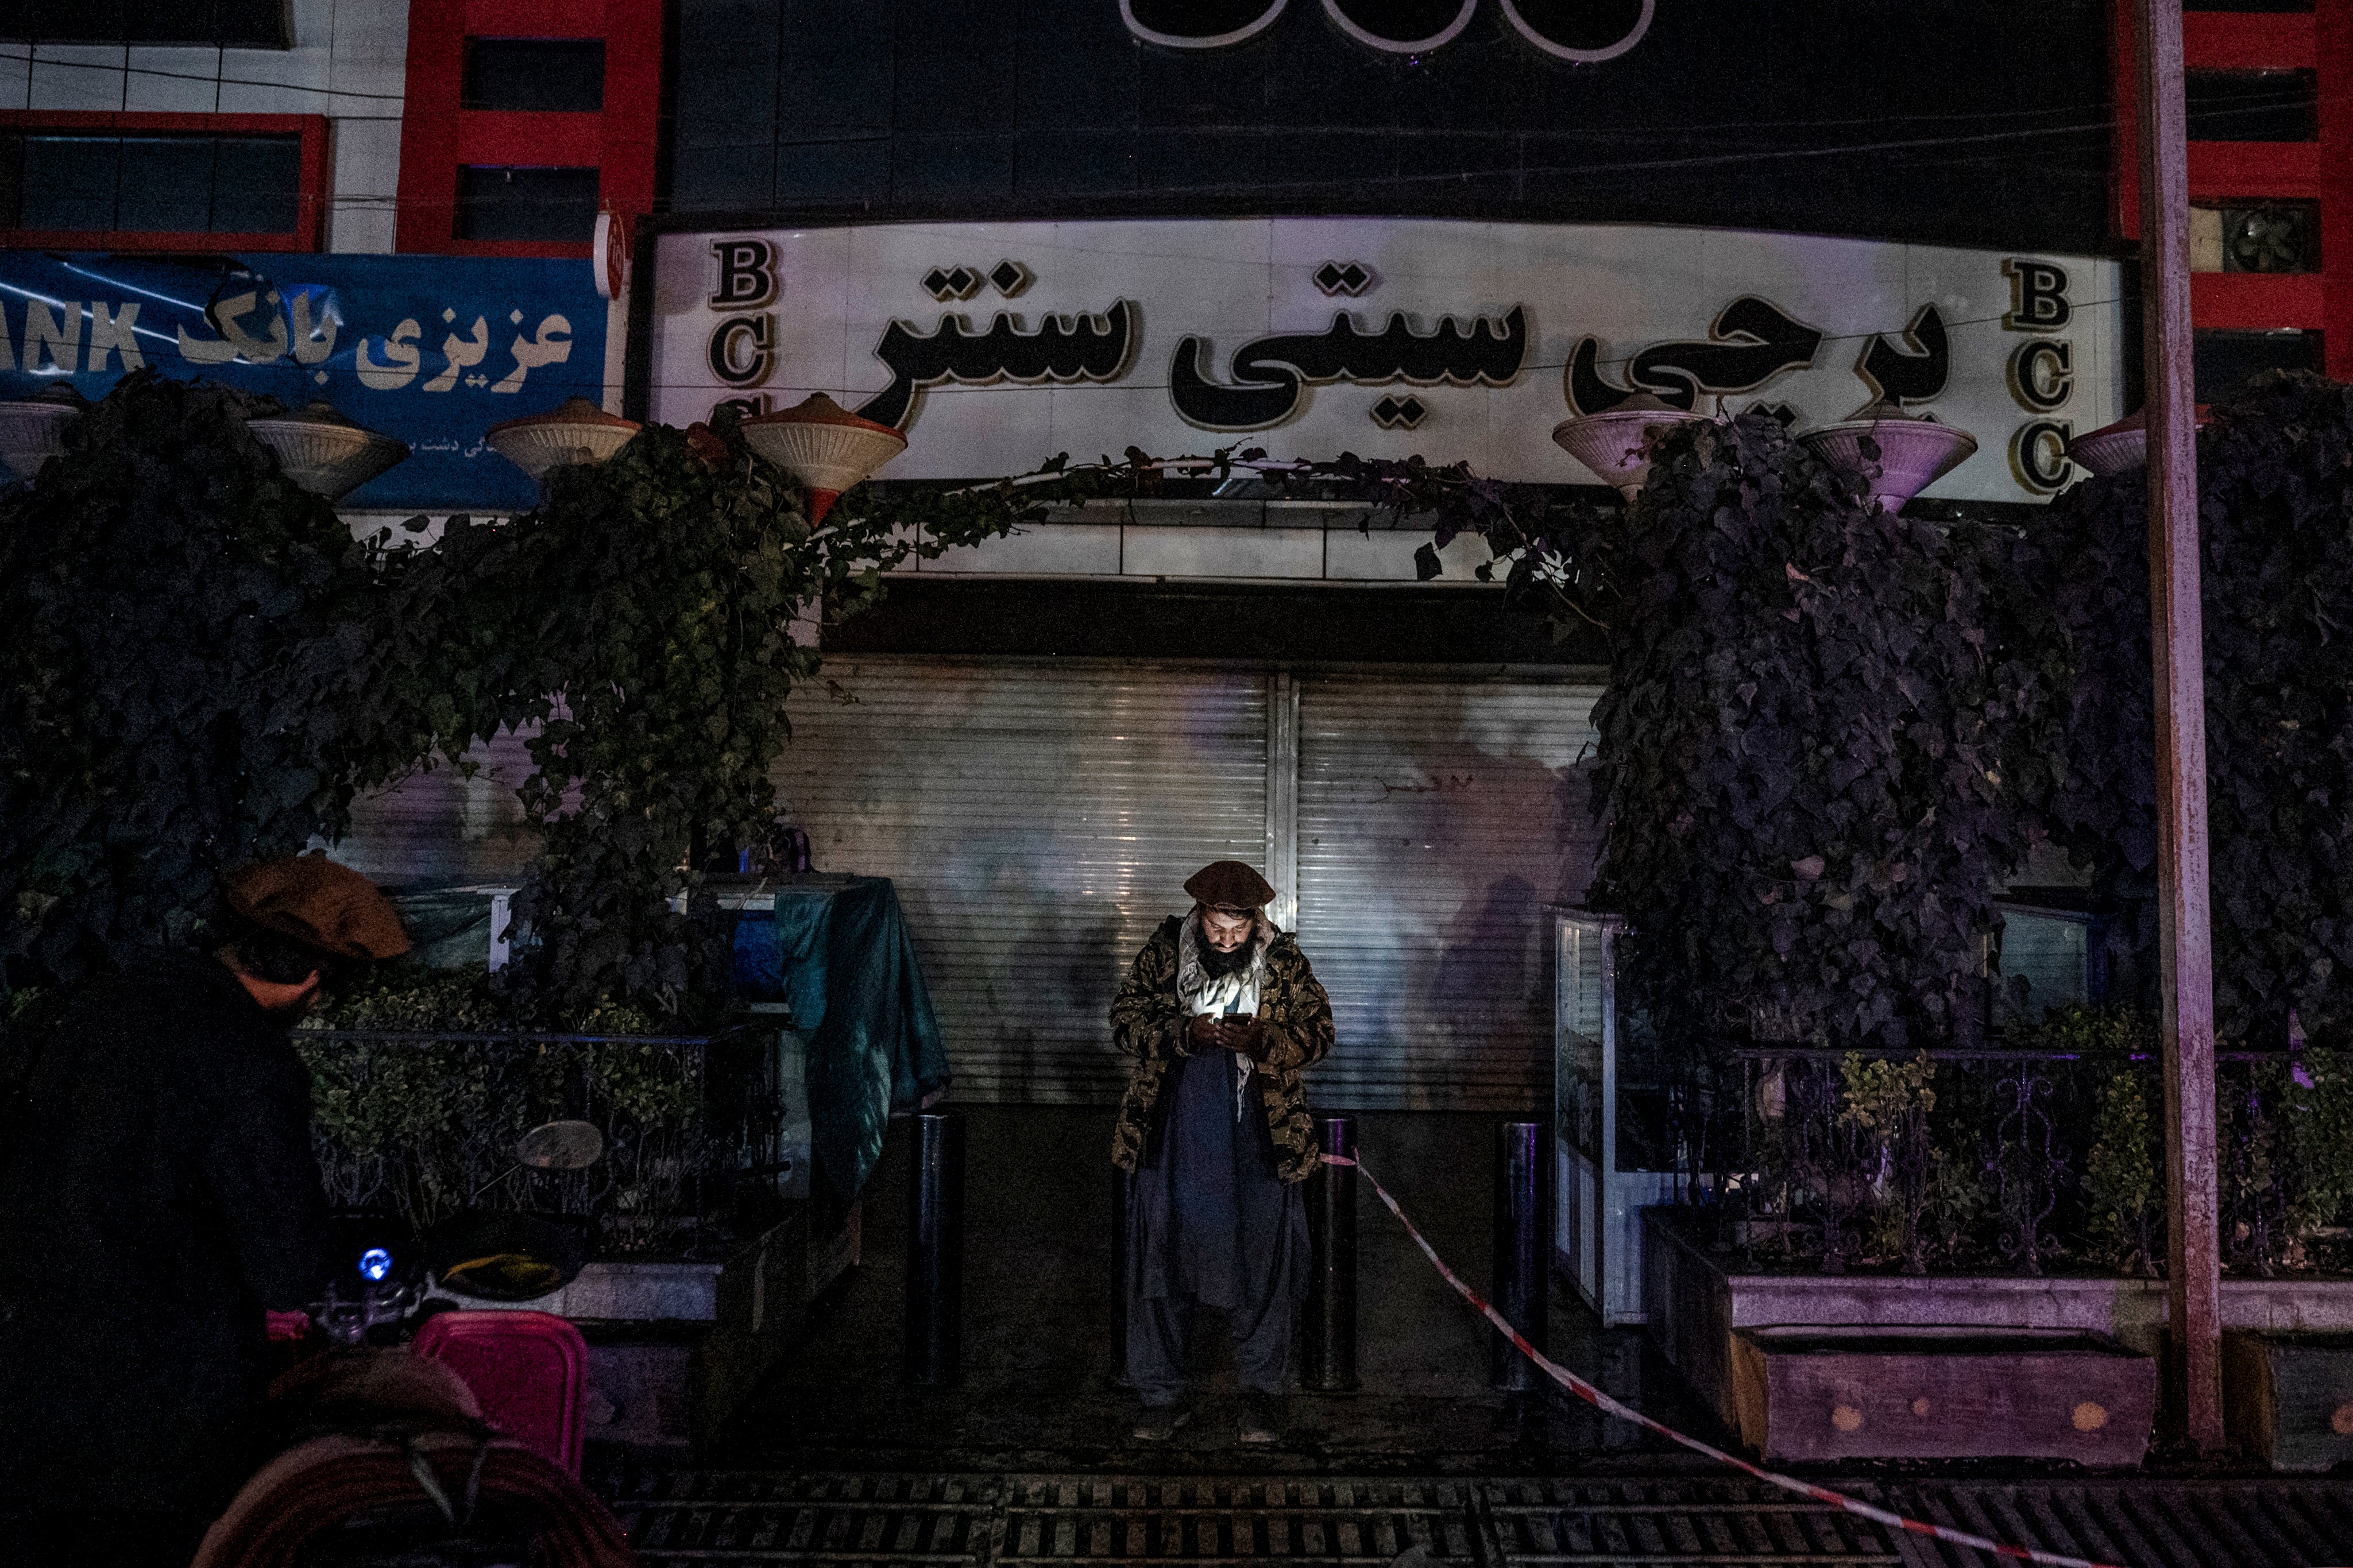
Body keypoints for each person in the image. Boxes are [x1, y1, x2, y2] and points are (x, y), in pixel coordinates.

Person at [0, 854, 409, 1567]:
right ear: (313, 978)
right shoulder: (243, 1057)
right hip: (160, 1428)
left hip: (25, 1400)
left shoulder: (73, 1011)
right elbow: (287, 1265)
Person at [1110, 859, 1335, 1446]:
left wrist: (1266, 1040)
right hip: (1173, 1137)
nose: (1227, 940)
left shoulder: (1283, 962)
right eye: (1216, 928)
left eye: (1238, 930)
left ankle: (1261, 1395)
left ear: (1255, 921)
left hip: (1261, 1141)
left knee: (1263, 1262)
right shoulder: (1164, 953)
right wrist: (1181, 1035)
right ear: (1199, 917)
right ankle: (1161, 1395)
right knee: (1162, 1259)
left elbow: (1320, 1032)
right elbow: (1124, 1018)